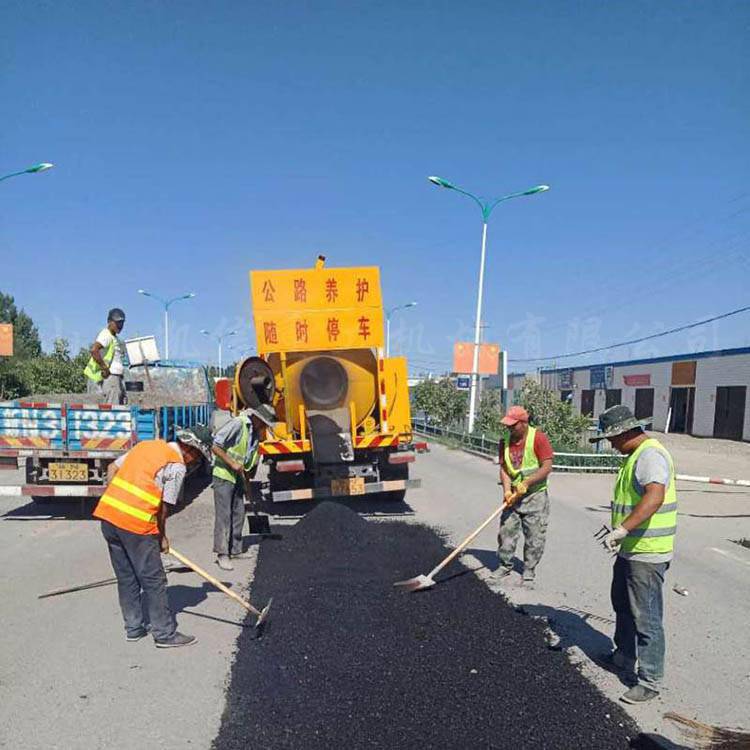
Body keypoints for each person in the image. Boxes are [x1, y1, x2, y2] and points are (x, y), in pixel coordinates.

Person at [591, 404, 677, 705]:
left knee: (647, 617)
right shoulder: (633, 456)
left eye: (613, 439)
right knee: (623, 604)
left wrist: (623, 529)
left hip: (647, 552)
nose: (612, 445)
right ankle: (624, 656)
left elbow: (655, 495)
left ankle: (650, 680)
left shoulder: (650, 455)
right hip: (630, 549)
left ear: (625, 432)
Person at [93, 430, 207, 648]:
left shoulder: (147, 446)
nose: (196, 462)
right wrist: (162, 536)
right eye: (198, 457)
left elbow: (111, 468)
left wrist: (118, 501)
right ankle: (164, 634)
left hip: (108, 517)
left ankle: (134, 628)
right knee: (154, 580)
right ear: (189, 449)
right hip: (136, 525)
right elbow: (165, 506)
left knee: (126, 577)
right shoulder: (177, 465)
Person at [211, 404, 276, 571]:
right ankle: (222, 554)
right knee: (224, 515)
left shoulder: (255, 434)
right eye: (264, 423)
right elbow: (216, 445)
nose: (264, 427)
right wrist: (231, 462)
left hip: (238, 477)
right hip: (224, 475)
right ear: (256, 418)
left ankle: (236, 549)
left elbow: (248, 461)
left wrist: (248, 487)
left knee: (239, 513)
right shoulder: (239, 424)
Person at [496, 405, 554, 587]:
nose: (509, 429)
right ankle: (504, 565)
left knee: (534, 537)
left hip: (535, 495)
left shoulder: (538, 438)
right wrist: (507, 490)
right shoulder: (504, 441)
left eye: (513, 425)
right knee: (506, 532)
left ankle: (529, 570)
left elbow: (547, 467)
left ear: (523, 423)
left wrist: (527, 483)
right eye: (508, 425)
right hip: (513, 495)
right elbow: (504, 469)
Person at [84, 308, 127, 404]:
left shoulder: (114, 337)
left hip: (115, 378)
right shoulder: (106, 335)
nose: (120, 326)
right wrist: (105, 368)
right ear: (109, 322)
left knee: (116, 406)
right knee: (112, 409)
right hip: (110, 378)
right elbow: (94, 350)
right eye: (117, 323)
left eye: (122, 323)